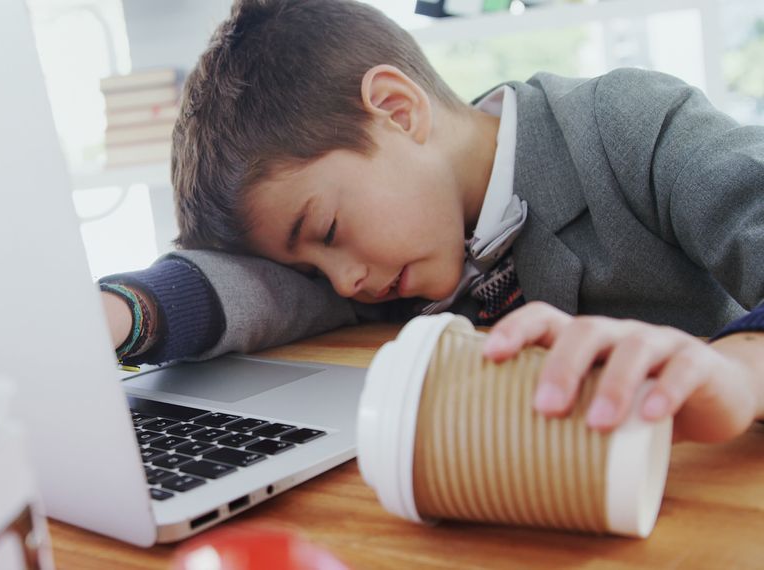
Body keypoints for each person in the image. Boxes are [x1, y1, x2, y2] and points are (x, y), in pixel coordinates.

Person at [98, 0, 764, 444]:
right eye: (312, 269)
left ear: (396, 108)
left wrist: (738, 372)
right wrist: (125, 313)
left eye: (327, 231)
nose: (345, 282)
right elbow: (257, 289)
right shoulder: (390, 258)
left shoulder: (628, 124)